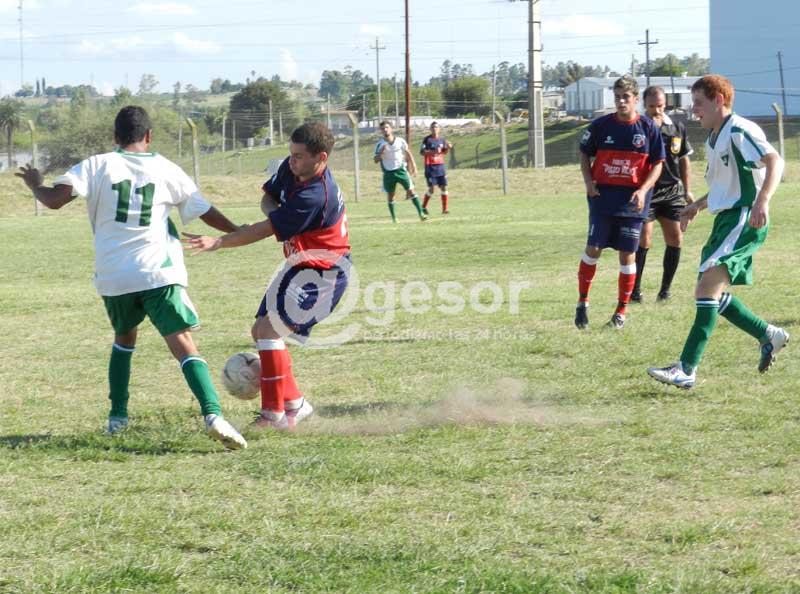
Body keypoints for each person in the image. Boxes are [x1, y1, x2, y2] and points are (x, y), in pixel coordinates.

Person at [15, 105, 247, 449]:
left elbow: (53, 200)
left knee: (124, 340)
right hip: (158, 272)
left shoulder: (97, 164)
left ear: (115, 137)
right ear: (149, 136)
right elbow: (203, 211)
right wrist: (238, 231)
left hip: (114, 276)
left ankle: (117, 418)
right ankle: (213, 415)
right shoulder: (166, 168)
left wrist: (36, 184)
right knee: (183, 345)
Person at [183, 122, 351, 430]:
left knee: (271, 331)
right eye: (291, 154)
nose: (292, 161)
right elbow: (267, 203)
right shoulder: (294, 169)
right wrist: (276, 215)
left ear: (322, 158)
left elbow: (264, 229)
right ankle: (296, 404)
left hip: (323, 275)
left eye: (299, 156)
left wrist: (219, 241)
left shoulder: (316, 196)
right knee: (260, 329)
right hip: (299, 266)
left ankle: (273, 415)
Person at [648, 75, 788, 389]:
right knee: (710, 292)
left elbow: (774, 160)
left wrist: (762, 201)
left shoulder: (739, 129)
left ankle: (686, 369)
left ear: (718, 100)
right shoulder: (714, 138)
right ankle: (769, 334)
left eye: (698, 102)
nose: (693, 109)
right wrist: (697, 205)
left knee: (706, 290)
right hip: (725, 219)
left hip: (743, 217)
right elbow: (724, 186)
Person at [575, 75, 665, 330]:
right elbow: (584, 153)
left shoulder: (648, 129)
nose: (621, 101)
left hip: (632, 204)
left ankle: (621, 312)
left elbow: (658, 164)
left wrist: (643, 189)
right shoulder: (601, 125)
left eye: (626, 97)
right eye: (617, 97)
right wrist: (589, 183)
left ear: (636, 99)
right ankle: (583, 303)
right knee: (593, 250)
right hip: (602, 199)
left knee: (627, 256)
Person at [631, 86, 694, 303]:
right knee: (644, 240)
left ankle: (664, 291)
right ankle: (635, 291)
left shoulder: (676, 127)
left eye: (660, 106)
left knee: (676, 238)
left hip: (671, 192)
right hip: (647, 192)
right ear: (643, 105)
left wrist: (688, 190)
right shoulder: (637, 126)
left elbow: (684, 159)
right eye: (651, 106)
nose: (656, 110)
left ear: (665, 103)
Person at [374, 120, 427, 222]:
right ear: (381, 131)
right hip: (388, 173)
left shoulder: (400, 141)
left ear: (391, 128)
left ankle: (421, 213)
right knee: (391, 195)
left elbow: (408, 153)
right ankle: (394, 218)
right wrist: (380, 153)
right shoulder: (380, 144)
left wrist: (414, 167)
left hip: (401, 170)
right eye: (383, 128)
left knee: (411, 191)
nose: (385, 130)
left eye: (387, 127)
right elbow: (375, 160)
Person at [419, 121, 453, 215]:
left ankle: (445, 209)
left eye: (436, 127)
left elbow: (444, 152)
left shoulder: (442, 140)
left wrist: (448, 147)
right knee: (432, 189)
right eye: (433, 127)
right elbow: (422, 152)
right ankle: (423, 207)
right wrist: (432, 152)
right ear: (430, 129)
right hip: (430, 167)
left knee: (444, 187)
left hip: (440, 166)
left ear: (439, 129)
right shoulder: (427, 140)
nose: (434, 128)